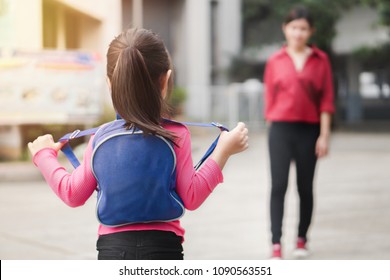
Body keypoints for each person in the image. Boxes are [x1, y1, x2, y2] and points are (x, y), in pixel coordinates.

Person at [28, 28, 249, 260]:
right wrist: (223, 151)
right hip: (164, 251)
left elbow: (73, 193)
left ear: (110, 83)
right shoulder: (176, 135)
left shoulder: (99, 138)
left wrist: (44, 154)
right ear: (165, 80)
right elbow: (191, 197)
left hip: (112, 251)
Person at [263, 6, 335, 259]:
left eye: (303, 28)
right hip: (280, 130)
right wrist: (272, 132)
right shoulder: (275, 60)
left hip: (309, 130)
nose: (298, 32)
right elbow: (269, 99)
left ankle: (302, 239)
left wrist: (323, 136)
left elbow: (326, 100)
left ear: (310, 31)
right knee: (278, 186)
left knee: (305, 187)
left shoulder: (320, 60)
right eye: (294, 27)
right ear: (285, 28)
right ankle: (276, 243)